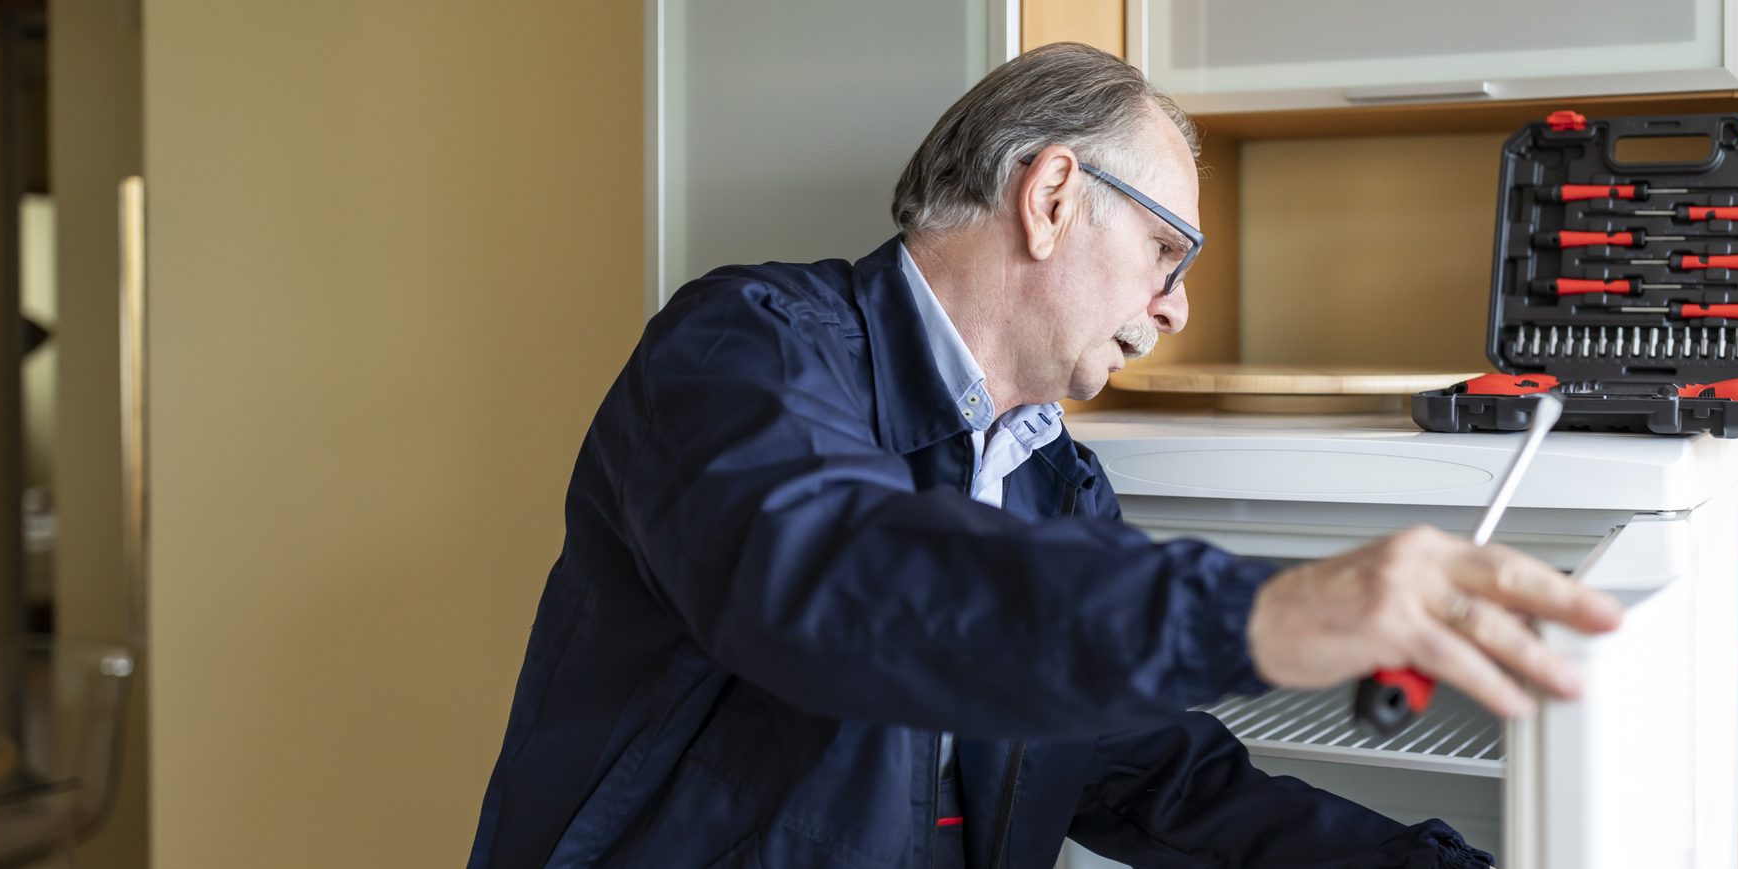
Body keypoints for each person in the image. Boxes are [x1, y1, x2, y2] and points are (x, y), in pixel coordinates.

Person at [469, 43, 1622, 869]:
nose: (1175, 309)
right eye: (1169, 253)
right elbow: (837, 579)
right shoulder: (746, 346)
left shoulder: (1056, 483)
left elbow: (1150, 768)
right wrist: (1263, 608)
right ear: (1056, 194)